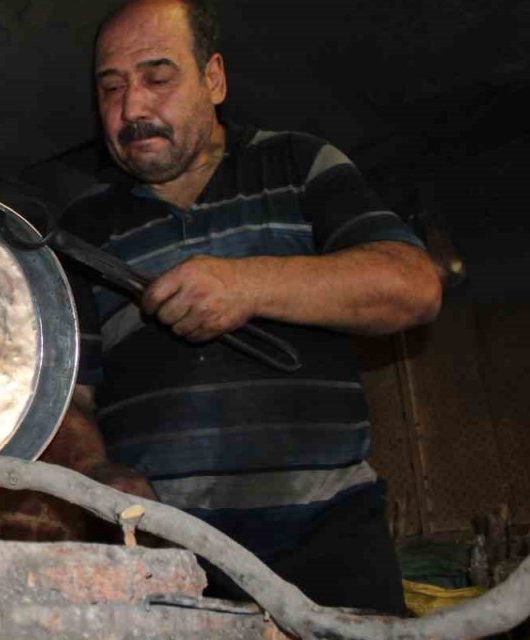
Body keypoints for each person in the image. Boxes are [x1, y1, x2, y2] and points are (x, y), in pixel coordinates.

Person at [54, 0, 442, 615]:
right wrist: (96, 469)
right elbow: (70, 397)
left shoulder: (299, 165)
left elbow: (413, 287)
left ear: (214, 79)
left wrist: (249, 284)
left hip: (331, 545)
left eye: (158, 78)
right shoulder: (82, 228)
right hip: (168, 558)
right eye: (111, 88)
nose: (131, 110)